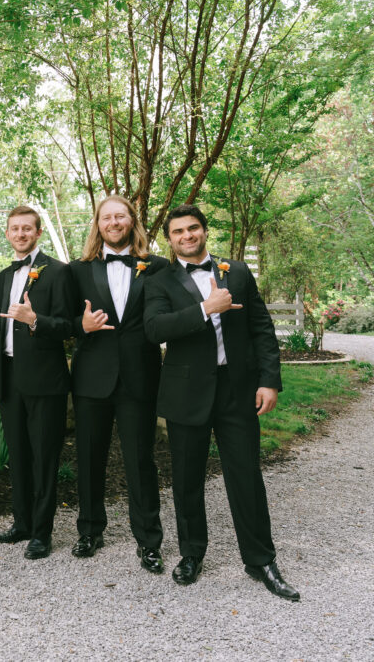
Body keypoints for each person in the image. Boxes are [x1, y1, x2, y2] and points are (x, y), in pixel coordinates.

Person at [143, 203, 299, 601]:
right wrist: (203, 309)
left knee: (246, 476)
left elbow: (261, 327)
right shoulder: (159, 280)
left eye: (193, 228)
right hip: (186, 392)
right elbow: (154, 328)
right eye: (178, 232)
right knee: (187, 480)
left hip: (237, 390)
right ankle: (192, 554)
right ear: (170, 238)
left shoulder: (237, 271)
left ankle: (261, 559)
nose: (187, 236)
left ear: (205, 231)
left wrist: (269, 382)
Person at [68, 195, 167, 572]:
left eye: (120, 216)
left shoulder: (157, 267)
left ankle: (149, 541)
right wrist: (81, 326)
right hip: (92, 378)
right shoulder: (78, 270)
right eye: (106, 217)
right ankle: (90, 531)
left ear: (132, 221)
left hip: (139, 378)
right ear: (98, 223)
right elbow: (63, 320)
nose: (113, 222)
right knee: (89, 459)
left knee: (141, 462)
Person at [0, 205, 75, 559]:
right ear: (8, 234)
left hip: (45, 381)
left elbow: (68, 327)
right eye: (14, 229)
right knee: (18, 456)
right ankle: (21, 523)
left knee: (43, 458)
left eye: (27, 229)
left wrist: (36, 321)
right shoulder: (4, 276)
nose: (20, 234)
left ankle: (41, 532)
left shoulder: (59, 272)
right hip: (8, 378)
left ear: (37, 233)